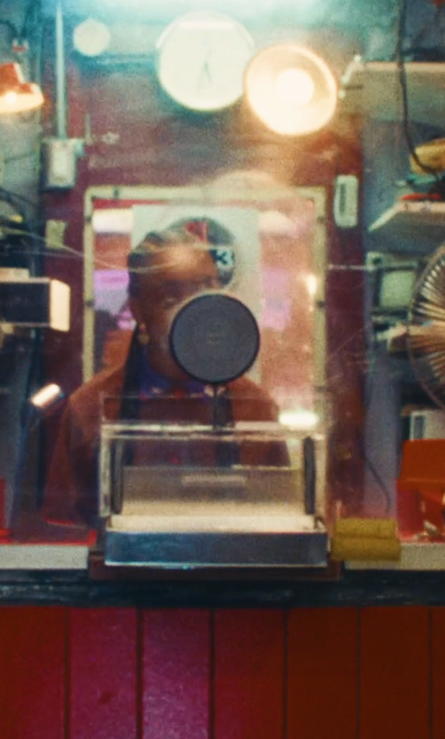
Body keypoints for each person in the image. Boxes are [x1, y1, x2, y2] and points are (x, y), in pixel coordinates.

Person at [44, 223, 276, 529]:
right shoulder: (90, 408)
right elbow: (64, 531)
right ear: (137, 309)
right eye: (170, 299)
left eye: (205, 292)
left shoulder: (255, 407)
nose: (191, 313)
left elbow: (276, 518)